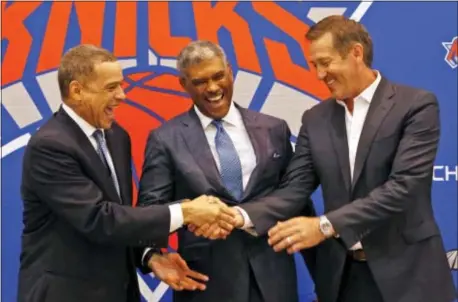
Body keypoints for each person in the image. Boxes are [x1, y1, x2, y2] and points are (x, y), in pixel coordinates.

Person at [236, 15, 457, 302]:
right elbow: (295, 188)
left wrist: (324, 225)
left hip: (408, 275)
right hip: (343, 278)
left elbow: (404, 187)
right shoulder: (315, 118)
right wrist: (240, 215)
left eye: (325, 63)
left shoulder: (415, 105)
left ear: (356, 52)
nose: (318, 74)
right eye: (314, 65)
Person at [18, 44, 235, 302]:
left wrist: (148, 257)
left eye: (121, 85)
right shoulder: (50, 146)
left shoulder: (117, 137)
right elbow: (100, 219)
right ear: (77, 91)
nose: (122, 95)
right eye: (111, 88)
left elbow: (122, 215)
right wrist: (186, 212)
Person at [137, 40, 316, 302]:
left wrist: (324, 278)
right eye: (199, 81)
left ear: (230, 72)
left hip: (274, 280)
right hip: (206, 284)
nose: (212, 88)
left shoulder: (274, 129)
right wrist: (188, 216)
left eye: (218, 76)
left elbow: (297, 200)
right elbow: (149, 210)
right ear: (183, 84)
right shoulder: (165, 139)